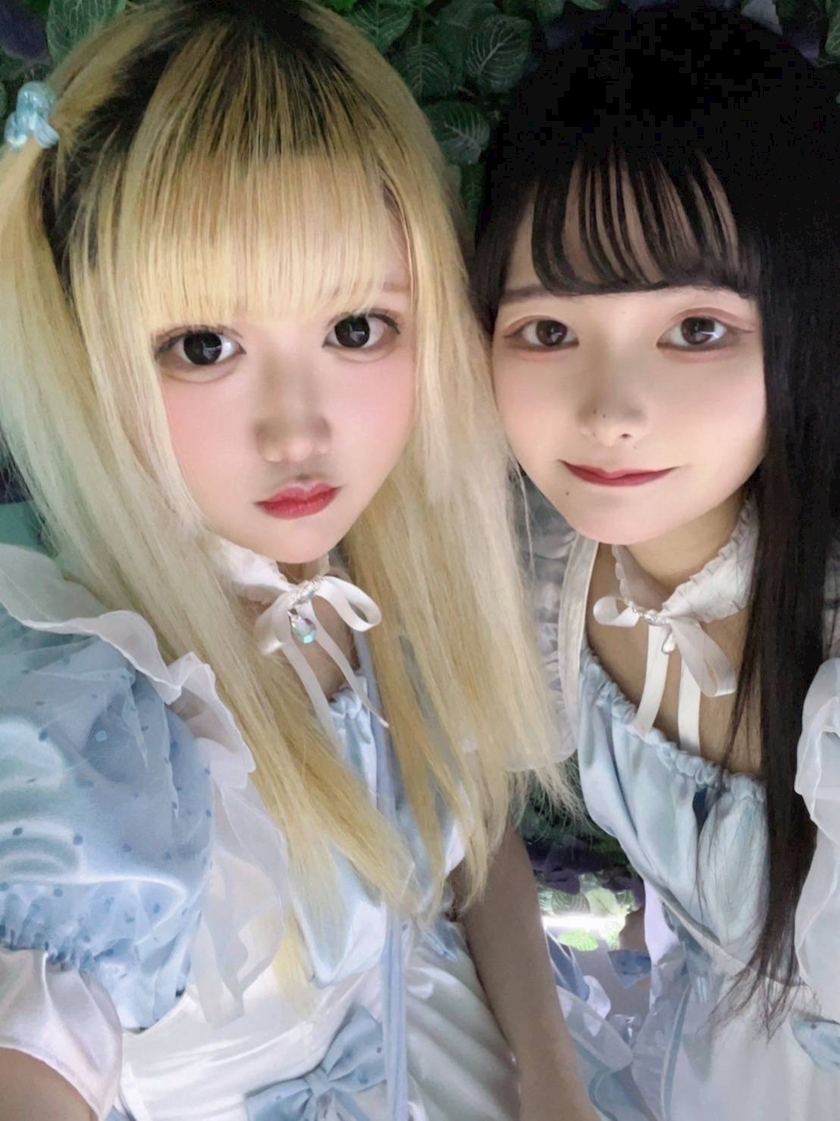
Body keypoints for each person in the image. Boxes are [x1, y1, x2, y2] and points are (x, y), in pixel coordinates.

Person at [0, 0, 577, 1117]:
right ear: (83, 350)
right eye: (203, 346)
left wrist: (552, 1076)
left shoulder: (380, 568)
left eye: (357, 329)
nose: (299, 430)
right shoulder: (84, 706)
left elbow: (475, 830)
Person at [474, 5, 840, 1118]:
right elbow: (463, 811)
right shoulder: (542, 566)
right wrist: (548, 1077)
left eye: (696, 330)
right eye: (548, 331)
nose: (612, 412)